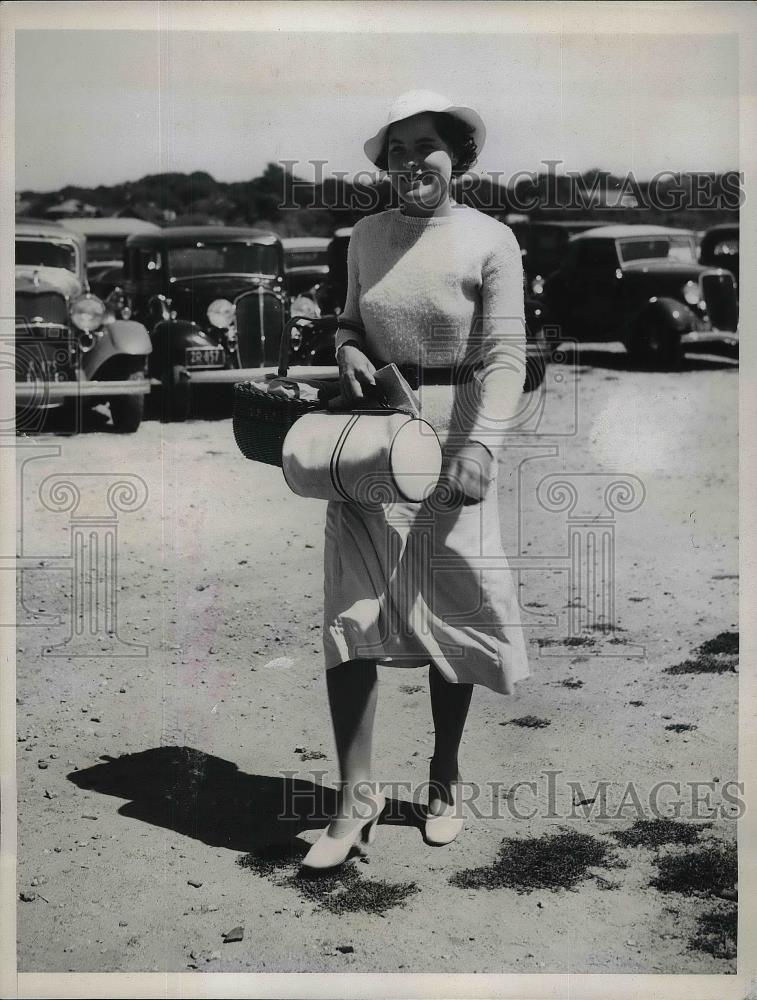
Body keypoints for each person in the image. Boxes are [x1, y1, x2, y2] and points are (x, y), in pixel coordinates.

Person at [302, 90, 529, 870]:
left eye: (423, 147)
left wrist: (481, 448)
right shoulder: (363, 235)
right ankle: (354, 797)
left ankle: (444, 775)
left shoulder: (491, 239)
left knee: (448, 606)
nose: (408, 163)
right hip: (369, 437)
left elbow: (505, 360)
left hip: (453, 434)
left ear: (456, 156)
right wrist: (344, 350)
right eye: (395, 150)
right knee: (352, 607)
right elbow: (346, 321)